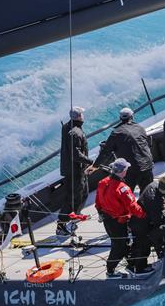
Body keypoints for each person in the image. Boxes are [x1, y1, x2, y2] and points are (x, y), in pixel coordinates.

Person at [95, 158, 147, 278]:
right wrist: (144, 215)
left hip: (107, 220)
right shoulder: (122, 188)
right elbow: (132, 206)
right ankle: (110, 271)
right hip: (118, 222)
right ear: (123, 171)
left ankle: (131, 263)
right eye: (126, 169)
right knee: (119, 246)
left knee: (121, 243)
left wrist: (100, 212)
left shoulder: (102, 182)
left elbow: (98, 202)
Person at [95, 107, 154, 192]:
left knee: (127, 193)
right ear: (132, 116)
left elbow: (106, 151)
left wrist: (95, 165)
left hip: (130, 170)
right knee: (148, 192)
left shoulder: (115, 133)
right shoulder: (139, 128)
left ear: (120, 118)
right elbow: (148, 143)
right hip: (147, 165)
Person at [58, 106, 94, 236]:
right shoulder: (76, 133)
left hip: (70, 169)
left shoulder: (66, 127)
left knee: (82, 193)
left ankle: (75, 216)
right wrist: (91, 162)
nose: (83, 116)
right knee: (74, 197)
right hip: (75, 171)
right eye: (82, 115)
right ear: (79, 117)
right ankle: (61, 225)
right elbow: (76, 155)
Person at [137, 175, 165, 260]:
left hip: (145, 212)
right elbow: (158, 220)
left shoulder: (154, 184)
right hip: (143, 223)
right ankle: (161, 256)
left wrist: (163, 201)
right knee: (150, 242)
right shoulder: (155, 202)